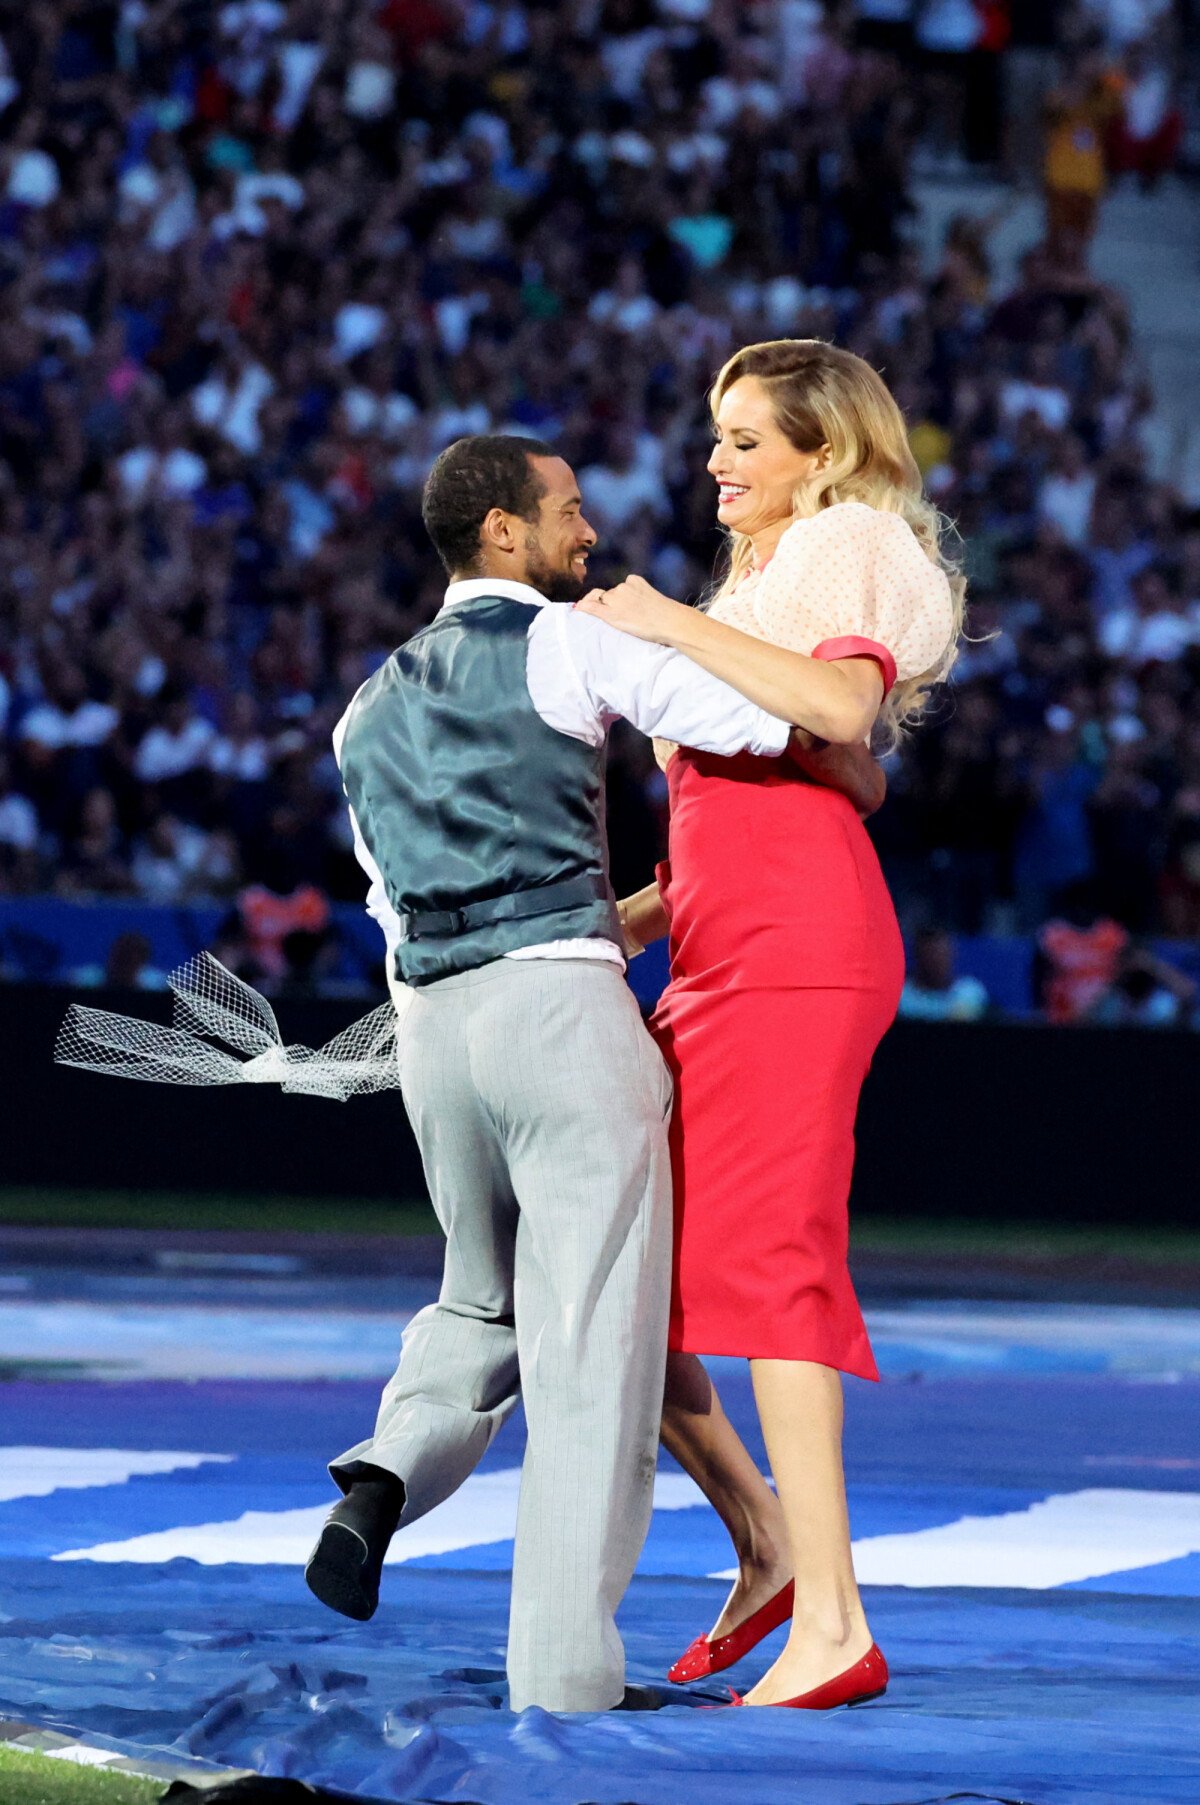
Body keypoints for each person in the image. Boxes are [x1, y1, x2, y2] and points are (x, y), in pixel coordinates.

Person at [303, 434, 884, 1715]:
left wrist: (618, 913)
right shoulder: (569, 641)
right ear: (503, 533)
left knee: (476, 1300)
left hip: (434, 1034)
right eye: (567, 511)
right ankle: (564, 1677)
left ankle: (386, 1472)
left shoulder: (362, 709)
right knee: (591, 1357)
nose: (590, 532)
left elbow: (397, 912)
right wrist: (849, 747)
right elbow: (766, 719)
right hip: (564, 1024)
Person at [579, 339, 961, 1709]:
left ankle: (837, 1622)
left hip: (800, 950)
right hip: (724, 939)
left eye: (747, 439)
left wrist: (664, 620)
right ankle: (771, 1541)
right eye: (717, 435)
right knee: (623, 1255)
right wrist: (621, 919)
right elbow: (768, 794)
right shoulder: (759, 579)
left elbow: (843, 707)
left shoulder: (849, 536)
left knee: (781, 1267)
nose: (717, 460)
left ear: (824, 451)